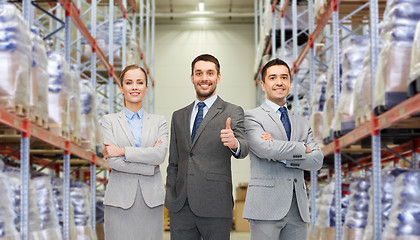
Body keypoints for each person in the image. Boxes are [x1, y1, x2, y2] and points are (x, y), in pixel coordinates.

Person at [165, 54, 249, 240]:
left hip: (215, 204)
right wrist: (172, 196)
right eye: (199, 73)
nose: (204, 78)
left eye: (210, 73)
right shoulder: (178, 116)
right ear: (192, 78)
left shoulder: (232, 111)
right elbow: (174, 162)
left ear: (218, 77)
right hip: (181, 206)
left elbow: (244, 147)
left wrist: (234, 143)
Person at [242, 58, 323, 240]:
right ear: (263, 85)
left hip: (298, 208)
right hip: (265, 206)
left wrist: (283, 155)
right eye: (273, 78)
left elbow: (317, 160)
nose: (279, 82)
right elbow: (265, 149)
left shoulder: (301, 122)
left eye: (284, 77)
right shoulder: (250, 117)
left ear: (290, 83)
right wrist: (303, 148)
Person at [100, 64, 168, 240]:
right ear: (121, 88)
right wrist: (149, 165)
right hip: (119, 200)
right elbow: (113, 161)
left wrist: (121, 151)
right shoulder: (109, 121)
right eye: (129, 83)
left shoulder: (159, 122)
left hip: (151, 201)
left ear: (146, 87)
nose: (135, 87)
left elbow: (159, 155)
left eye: (140, 82)